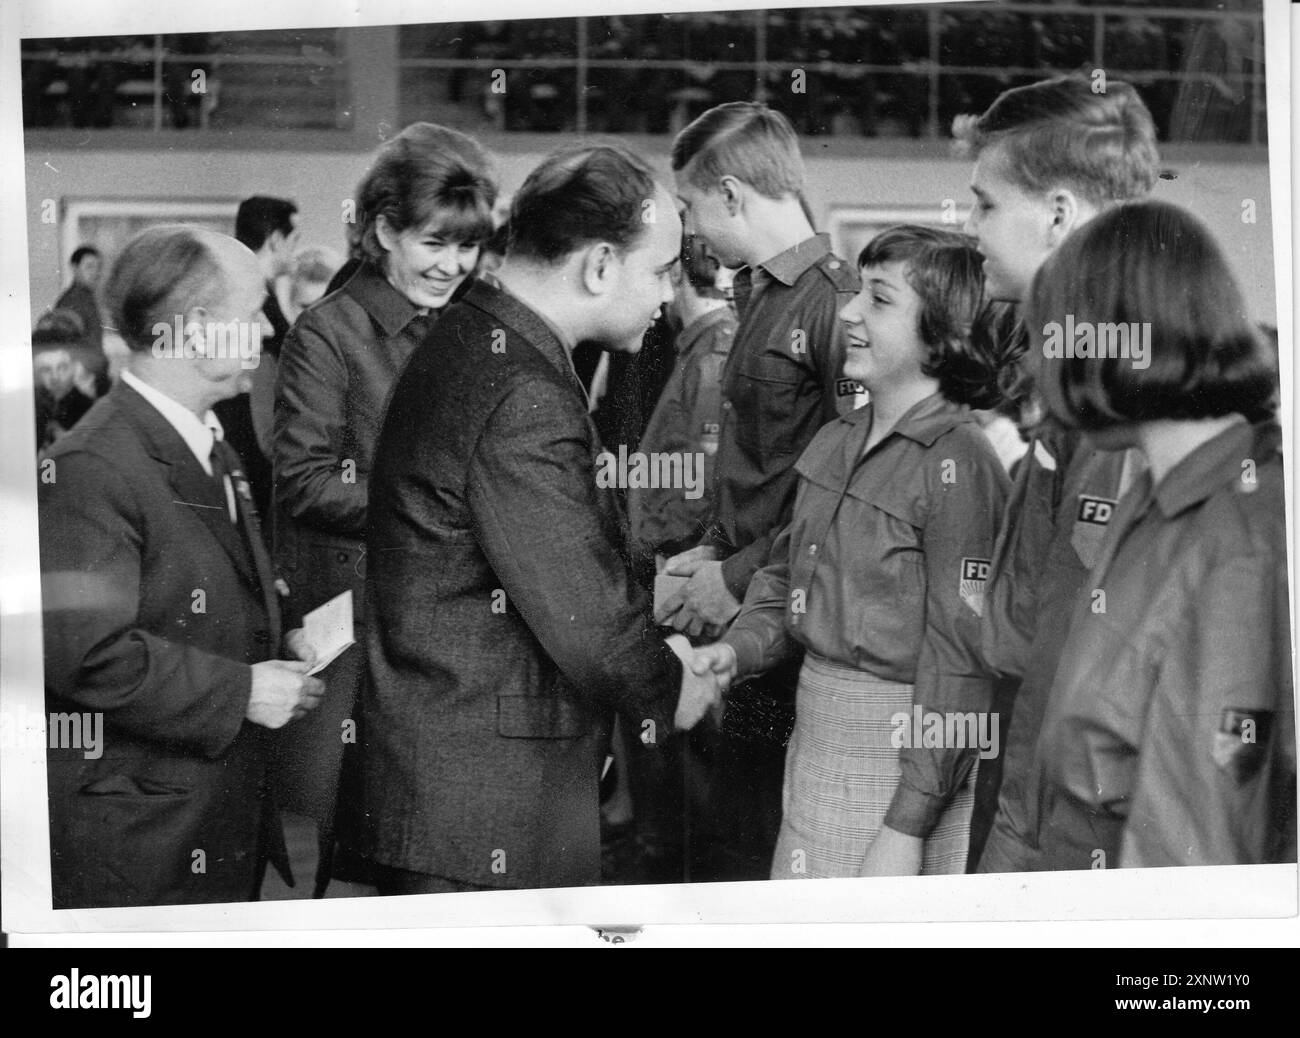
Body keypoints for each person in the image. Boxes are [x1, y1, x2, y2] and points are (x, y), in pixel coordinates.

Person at [353, 144, 719, 895]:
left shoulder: (471, 337)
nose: (668, 297)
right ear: (597, 267)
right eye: (661, 271)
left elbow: (528, 550)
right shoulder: (521, 386)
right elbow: (585, 618)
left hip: (450, 784)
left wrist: (658, 583)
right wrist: (671, 685)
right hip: (481, 806)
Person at [691, 226, 1010, 878]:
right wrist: (735, 650)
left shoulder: (959, 463)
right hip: (814, 745)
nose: (848, 312)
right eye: (857, 292)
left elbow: (963, 664)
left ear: (944, 334)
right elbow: (786, 578)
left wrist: (907, 826)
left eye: (880, 300)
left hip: (900, 768)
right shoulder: (838, 439)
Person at [39, 226, 324, 908]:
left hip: (208, 819)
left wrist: (279, 632)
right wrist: (241, 691)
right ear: (198, 331)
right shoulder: (93, 466)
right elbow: (87, 656)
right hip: (144, 843)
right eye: (253, 310)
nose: (264, 328)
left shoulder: (206, 444)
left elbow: (194, 593)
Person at [1024, 201, 1293, 868]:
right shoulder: (1153, 492)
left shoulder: (1238, 540)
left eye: (1045, 340)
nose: (1033, 370)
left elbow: (1193, 840)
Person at [272, 122, 497, 895]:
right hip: (368, 633)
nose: (454, 265)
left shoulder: (470, 326)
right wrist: (431, 508)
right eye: (435, 244)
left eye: (467, 247)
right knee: (371, 864)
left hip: (459, 627)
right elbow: (301, 480)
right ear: (381, 230)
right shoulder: (327, 334)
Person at [953, 75, 1163, 873]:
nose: (970, 228)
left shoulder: (1122, 383)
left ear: (1058, 216)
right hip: (1032, 780)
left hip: (1075, 820)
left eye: (985, 205)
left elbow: (1094, 646)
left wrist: (1025, 846)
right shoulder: (1075, 357)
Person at [658, 101, 861, 880]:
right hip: (739, 604)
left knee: (750, 854)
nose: (691, 231)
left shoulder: (836, 304)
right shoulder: (757, 294)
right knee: (719, 841)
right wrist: (709, 552)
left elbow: (843, 491)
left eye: (691, 209)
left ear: (734, 197)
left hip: (785, 625)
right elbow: (754, 460)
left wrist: (734, 579)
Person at [214, 195, 300, 522]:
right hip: (250, 451)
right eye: (294, 240)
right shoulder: (249, 298)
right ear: (277, 240)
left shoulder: (251, 291)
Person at [54, 245, 105, 359]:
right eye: (89, 266)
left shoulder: (88, 298)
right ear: (75, 268)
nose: (96, 273)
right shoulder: (71, 301)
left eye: (98, 267)